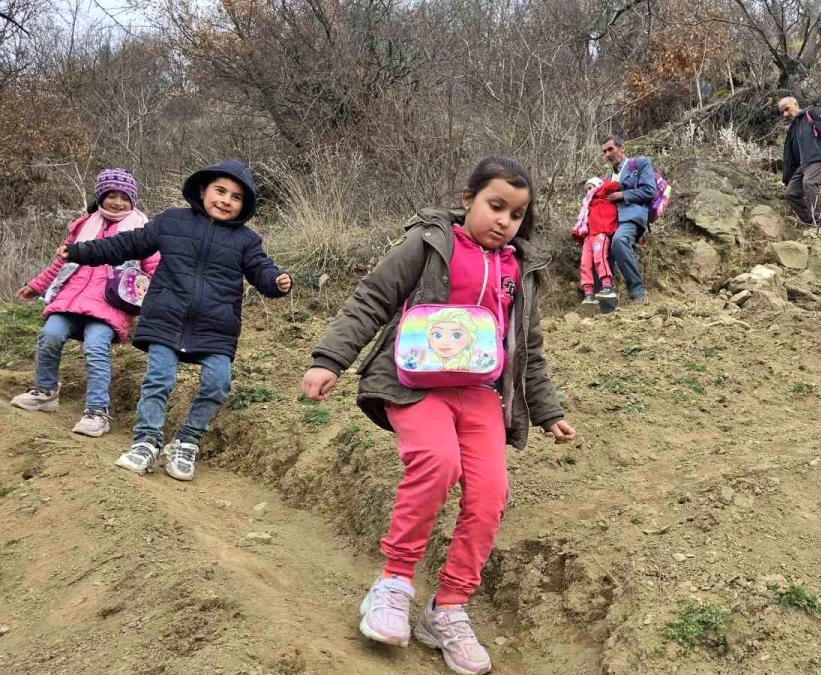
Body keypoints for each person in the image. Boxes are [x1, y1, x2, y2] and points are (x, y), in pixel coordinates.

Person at [301, 156, 576, 675]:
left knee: (491, 493)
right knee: (436, 461)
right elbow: (372, 299)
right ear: (468, 198)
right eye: (495, 206)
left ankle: (447, 609)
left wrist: (547, 411)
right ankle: (394, 583)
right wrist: (328, 360)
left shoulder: (521, 270)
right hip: (413, 383)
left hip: (477, 394)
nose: (504, 221)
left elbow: (528, 349)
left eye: (516, 214)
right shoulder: (430, 244)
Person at [58, 160, 291, 481]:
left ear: (244, 204)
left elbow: (261, 268)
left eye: (235, 197)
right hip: (167, 317)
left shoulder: (246, 240)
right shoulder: (172, 221)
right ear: (202, 191)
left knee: (218, 382)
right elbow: (126, 244)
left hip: (216, 326)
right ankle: (146, 442)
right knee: (159, 380)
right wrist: (80, 251)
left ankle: (186, 441)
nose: (226, 200)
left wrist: (276, 280)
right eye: (220, 191)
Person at [11, 169, 160, 437]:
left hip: (111, 303)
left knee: (95, 347)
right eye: (111, 195)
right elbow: (61, 260)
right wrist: (37, 285)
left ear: (133, 200)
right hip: (71, 297)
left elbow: (155, 267)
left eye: (124, 197)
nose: (117, 202)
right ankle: (45, 392)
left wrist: (156, 298)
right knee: (49, 336)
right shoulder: (83, 224)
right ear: (101, 197)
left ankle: (97, 411)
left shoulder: (143, 231)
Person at [601, 136, 656, 303]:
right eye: (605, 151)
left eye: (611, 149)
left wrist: (623, 195)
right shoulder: (607, 177)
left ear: (622, 148)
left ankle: (637, 293)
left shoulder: (640, 164)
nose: (608, 154)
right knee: (601, 248)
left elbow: (649, 191)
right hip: (611, 220)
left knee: (619, 241)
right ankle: (606, 301)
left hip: (632, 215)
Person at [778, 96, 821, 225]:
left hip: (817, 158)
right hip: (803, 165)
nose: (785, 114)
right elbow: (790, 154)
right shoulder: (794, 126)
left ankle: (819, 219)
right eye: (782, 112)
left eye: (787, 109)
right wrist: (788, 177)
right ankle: (811, 221)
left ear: (795, 103)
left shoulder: (812, 113)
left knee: (809, 182)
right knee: (790, 193)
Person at [572, 176, 619, 305]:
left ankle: (606, 285)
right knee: (585, 264)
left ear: (597, 186)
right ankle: (588, 292)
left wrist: (602, 185)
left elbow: (615, 185)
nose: (588, 191)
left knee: (600, 258)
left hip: (600, 233)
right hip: (588, 236)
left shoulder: (602, 195)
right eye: (586, 189)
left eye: (590, 187)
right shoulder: (587, 204)